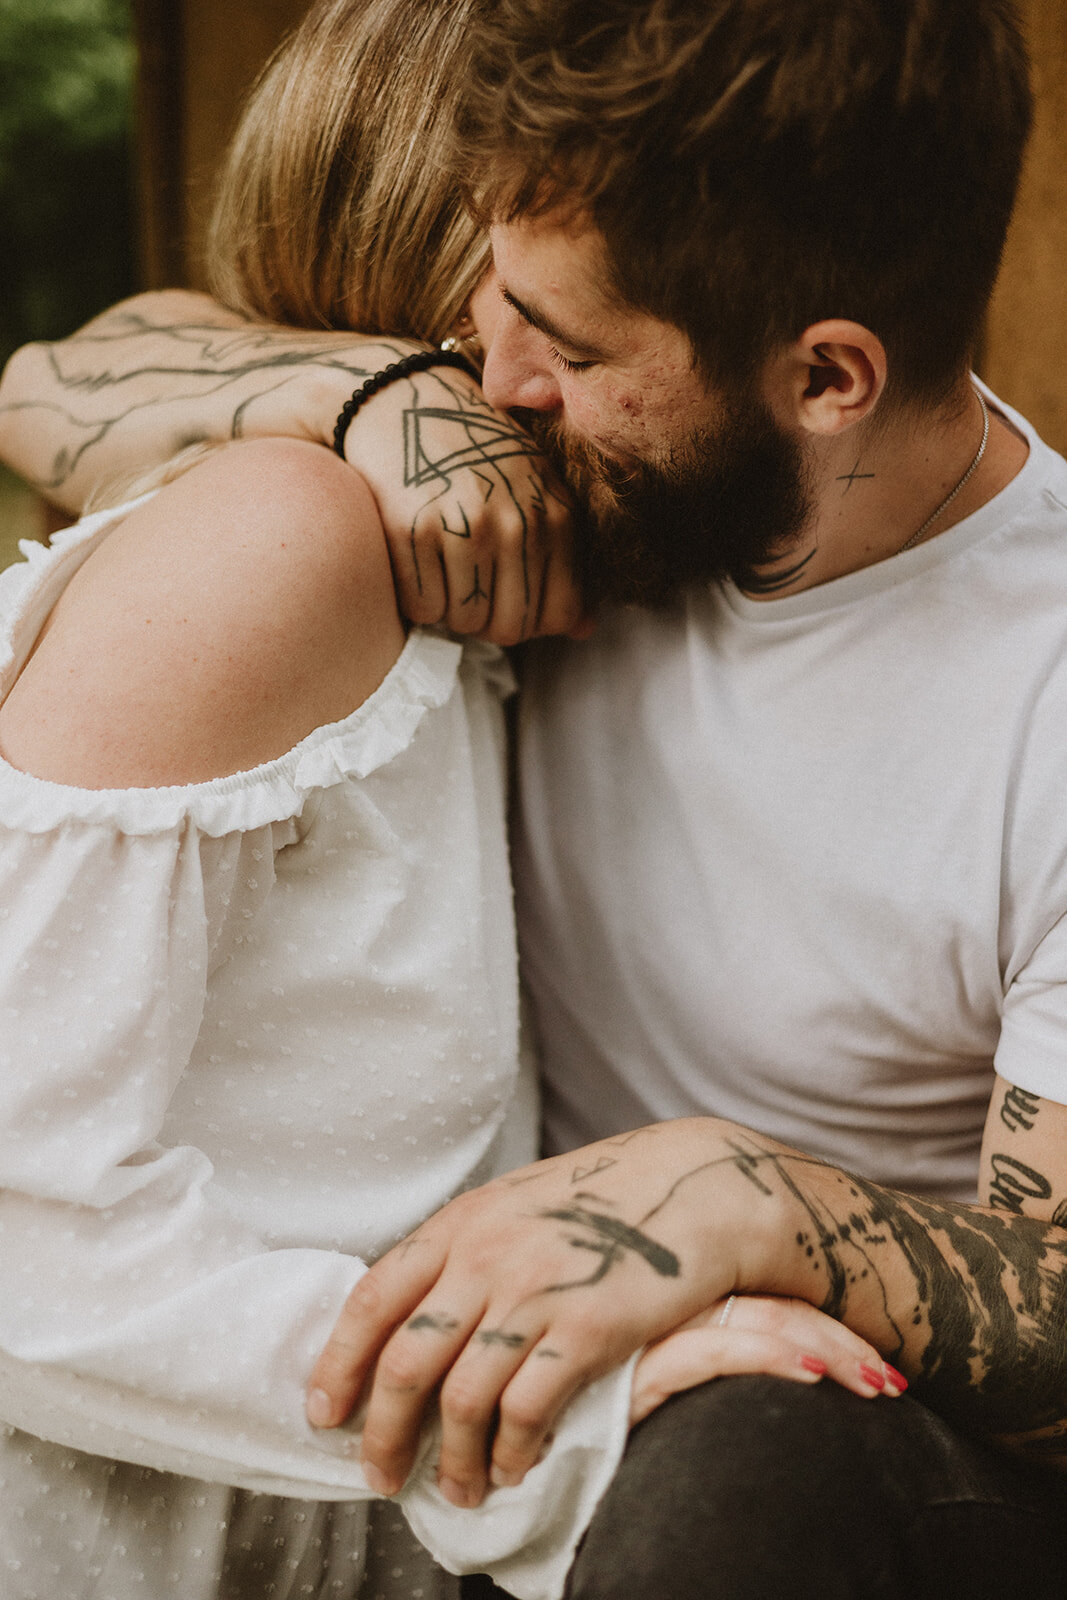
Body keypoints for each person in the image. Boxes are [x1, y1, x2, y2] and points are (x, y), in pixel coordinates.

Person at [3, 0, 1065, 1596]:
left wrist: (770, 1202)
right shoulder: (536, 482)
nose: (493, 380)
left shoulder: (1036, 686)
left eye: (559, 350)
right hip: (507, 1433)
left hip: (827, 1467)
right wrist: (361, 397)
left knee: (749, 1460)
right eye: (490, 310)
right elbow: (56, 372)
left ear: (828, 378)